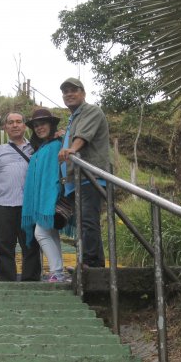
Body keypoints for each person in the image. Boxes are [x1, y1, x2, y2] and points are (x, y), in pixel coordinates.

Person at [58, 78, 110, 268]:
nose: (69, 94)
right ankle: (92, 263)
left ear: (83, 93)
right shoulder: (73, 118)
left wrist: (72, 149)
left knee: (88, 221)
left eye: (74, 90)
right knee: (83, 223)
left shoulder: (91, 110)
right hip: (75, 180)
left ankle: (91, 264)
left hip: (90, 177)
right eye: (65, 92)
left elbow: (83, 137)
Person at [0, 112, 42, 282]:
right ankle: (7, 281)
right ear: (5, 128)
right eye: (10, 122)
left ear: (25, 126)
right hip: (3, 204)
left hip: (29, 206)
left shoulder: (36, 149)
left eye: (19, 121)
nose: (14, 125)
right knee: (5, 246)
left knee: (31, 245)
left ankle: (31, 281)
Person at [21, 108, 66, 282]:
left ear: (52, 125)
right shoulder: (40, 149)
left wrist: (62, 136)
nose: (39, 128)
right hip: (43, 198)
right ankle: (59, 271)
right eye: (36, 126)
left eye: (43, 124)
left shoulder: (58, 144)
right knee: (51, 233)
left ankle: (57, 271)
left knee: (41, 233)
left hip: (51, 196)